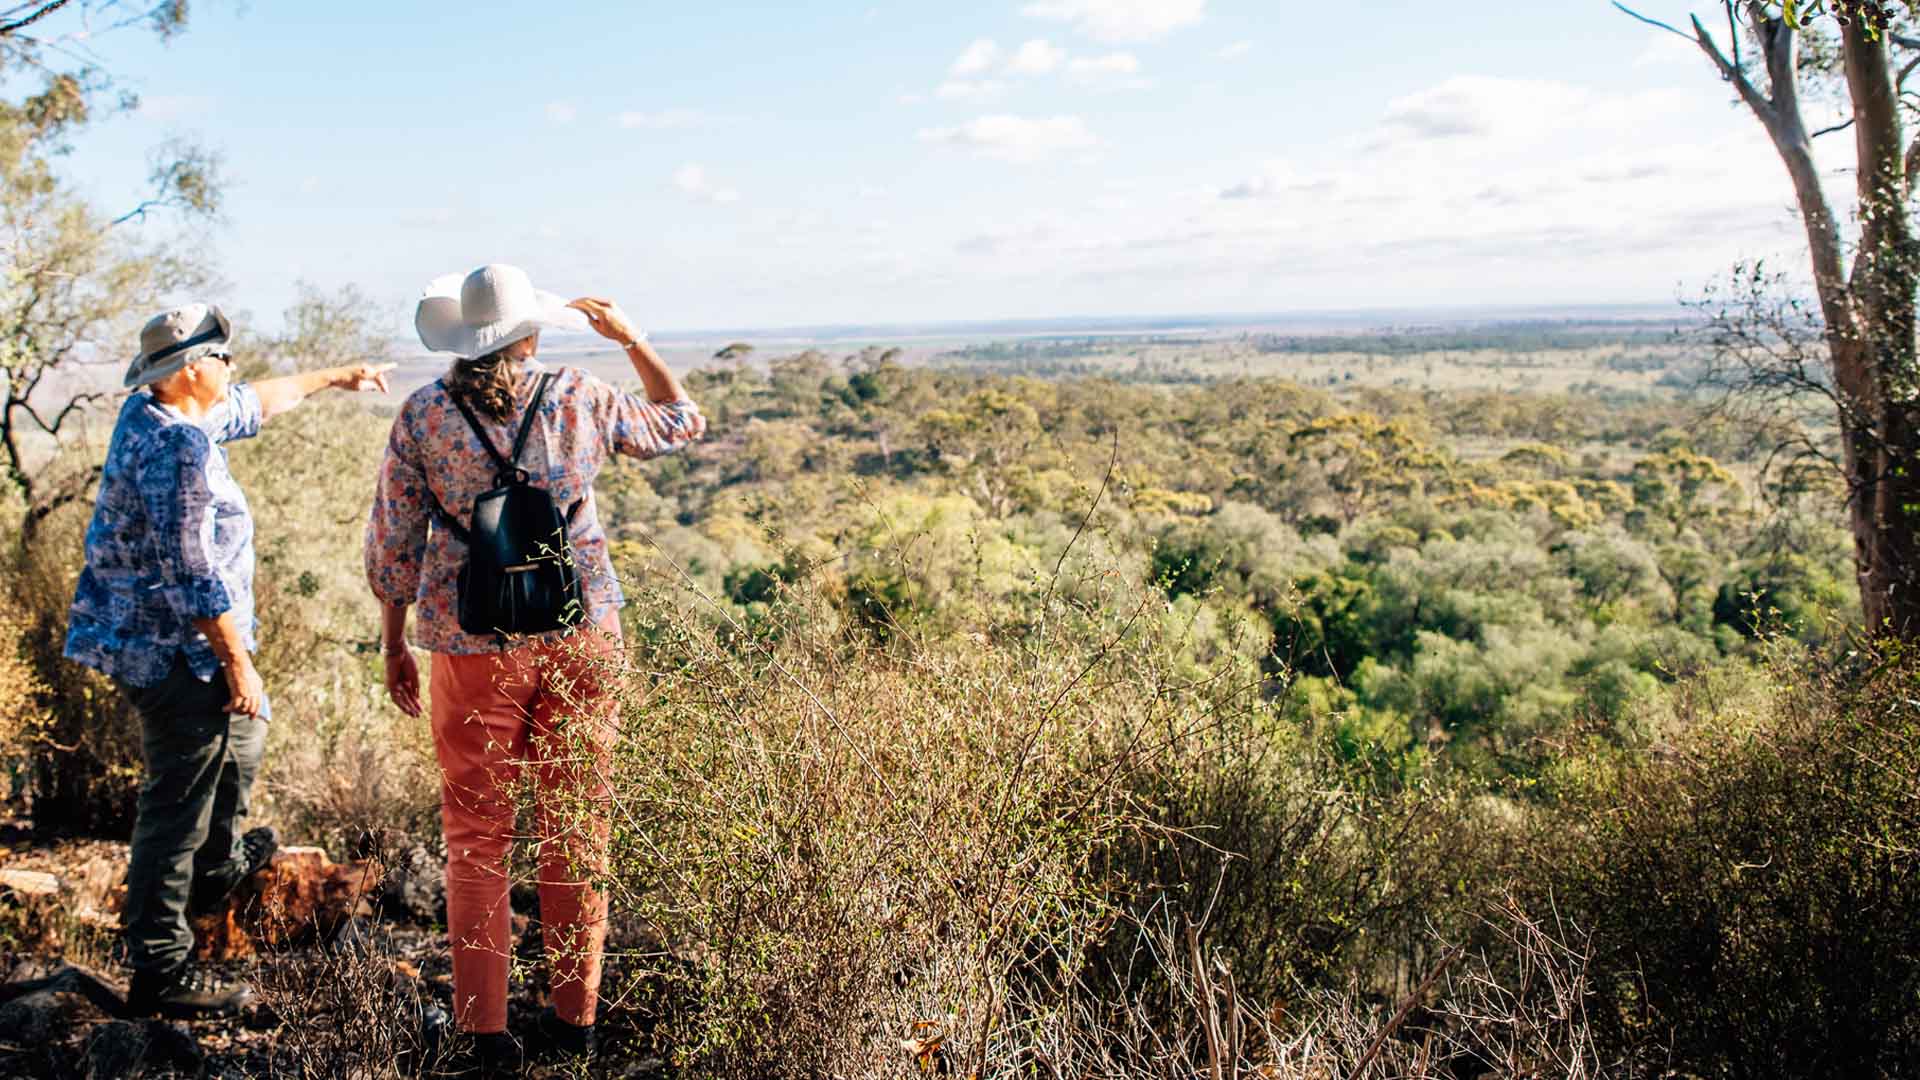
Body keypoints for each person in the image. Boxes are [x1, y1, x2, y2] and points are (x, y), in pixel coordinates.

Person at [365, 264, 705, 1071]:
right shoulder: (579, 395)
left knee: (476, 837)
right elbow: (679, 421)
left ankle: (485, 1034)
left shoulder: (424, 416)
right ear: (530, 333)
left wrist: (393, 642)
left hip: (469, 641)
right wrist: (635, 339)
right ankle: (574, 1020)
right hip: (582, 629)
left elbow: (393, 548)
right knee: (578, 825)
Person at [64, 303, 395, 1018]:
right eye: (221, 357)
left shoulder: (167, 413)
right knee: (177, 808)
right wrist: (237, 663)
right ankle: (161, 969)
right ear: (190, 370)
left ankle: (215, 875)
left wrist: (338, 375)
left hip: (180, 647)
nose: (231, 367)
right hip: (175, 654)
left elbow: (253, 403)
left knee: (240, 751)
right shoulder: (175, 447)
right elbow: (190, 572)